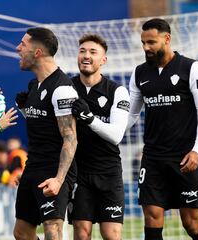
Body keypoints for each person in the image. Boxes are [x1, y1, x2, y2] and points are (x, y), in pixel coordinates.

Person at [127, 18, 198, 240]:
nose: (146, 47)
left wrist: (196, 150)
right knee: (152, 216)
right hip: (153, 158)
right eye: (143, 42)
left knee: (191, 224)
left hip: (185, 157)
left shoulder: (191, 68)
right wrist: (109, 134)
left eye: (151, 42)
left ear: (167, 39)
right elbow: (132, 114)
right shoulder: (139, 73)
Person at [14, 27, 78, 240]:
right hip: (33, 167)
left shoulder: (62, 89)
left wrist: (59, 180)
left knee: (52, 229)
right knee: (22, 233)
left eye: (23, 44)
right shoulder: (34, 85)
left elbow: (70, 137)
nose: (18, 49)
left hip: (54, 169)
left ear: (38, 52)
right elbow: (43, 124)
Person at [69, 34, 130, 240]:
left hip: (108, 172)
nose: (86, 56)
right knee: (82, 232)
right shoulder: (66, 90)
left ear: (103, 60)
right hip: (78, 172)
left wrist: (89, 119)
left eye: (93, 52)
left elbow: (116, 135)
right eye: (82, 51)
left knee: (111, 234)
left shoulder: (117, 91)